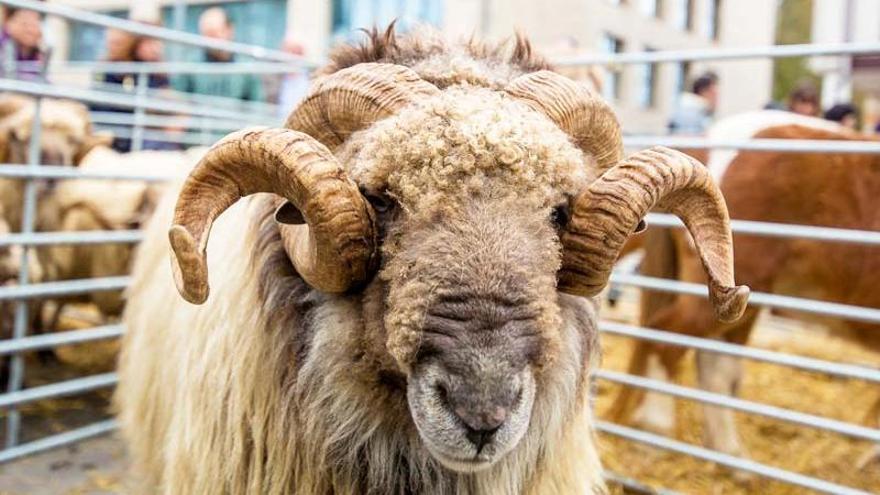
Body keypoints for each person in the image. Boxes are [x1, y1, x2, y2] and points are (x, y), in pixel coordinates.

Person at [173, 8, 265, 102]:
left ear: (230, 30)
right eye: (205, 35)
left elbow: (257, 106)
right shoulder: (190, 66)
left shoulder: (247, 68)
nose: (209, 41)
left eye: (213, 34)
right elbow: (178, 105)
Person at [0, 5, 45, 81]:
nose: (31, 30)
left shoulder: (37, 54)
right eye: (25, 23)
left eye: (35, 24)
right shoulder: (4, 47)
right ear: (9, 24)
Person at [273, 36, 310, 119]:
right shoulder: (274, 77)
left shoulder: (310, 79)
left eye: (296, 52)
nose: (290, 56)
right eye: (287, 51)